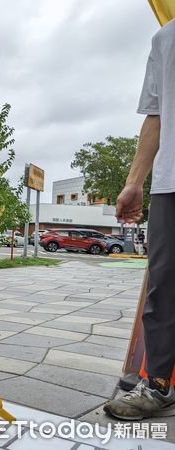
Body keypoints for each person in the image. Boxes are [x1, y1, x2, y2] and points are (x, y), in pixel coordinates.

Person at [103, 20, 175, 420]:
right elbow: (156, 114)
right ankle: (159, 385)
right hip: (171, 182)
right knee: (164, 288)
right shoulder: (166, 39)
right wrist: (134, 182)